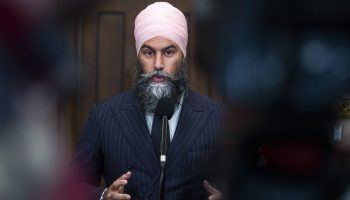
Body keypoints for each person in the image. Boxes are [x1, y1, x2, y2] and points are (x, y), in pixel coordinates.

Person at [72, 2, 223, 200]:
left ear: (182, 56)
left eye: (168, 52)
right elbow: (74, 186)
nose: (158, 64)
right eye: (149, 52)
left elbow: (248, 181)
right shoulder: (104, 115)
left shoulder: (216, 116)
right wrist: (103, 196)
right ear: (138, 56)